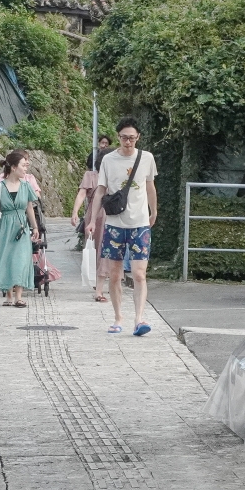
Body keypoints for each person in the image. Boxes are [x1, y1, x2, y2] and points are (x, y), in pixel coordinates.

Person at [91, 118, 157, 336]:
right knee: (115, 274)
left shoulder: (146, 158)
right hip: (114, 224)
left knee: (139, 274)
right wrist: (92, 220)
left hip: (139, 224)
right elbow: (100, 190)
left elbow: (150, 187)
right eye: (124, 137)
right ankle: (118, 317)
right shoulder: (108, 160)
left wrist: (153, 211)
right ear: (118, 136)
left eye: (132, 137)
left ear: (138, 137)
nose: (128, 141)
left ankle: (139, 319)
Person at [0, 149, 40, 308]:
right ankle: (8, 295)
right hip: (4, 227)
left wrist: (35, 227)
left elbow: (29, 207)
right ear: (14, 168)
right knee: (6, 259)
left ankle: (19, 296)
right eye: (23, 165)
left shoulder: (26, 186)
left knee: (22, 260)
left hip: (21, 226)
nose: (26, 168)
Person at [71, 134, 112, 301]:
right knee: (98, 249)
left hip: (112, 215)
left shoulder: (115, 177)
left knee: (108, 249)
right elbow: (82, 194)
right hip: (97, 216)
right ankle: (98, 285)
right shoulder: (91, 176)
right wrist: (75, 212)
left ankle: (102, 283)